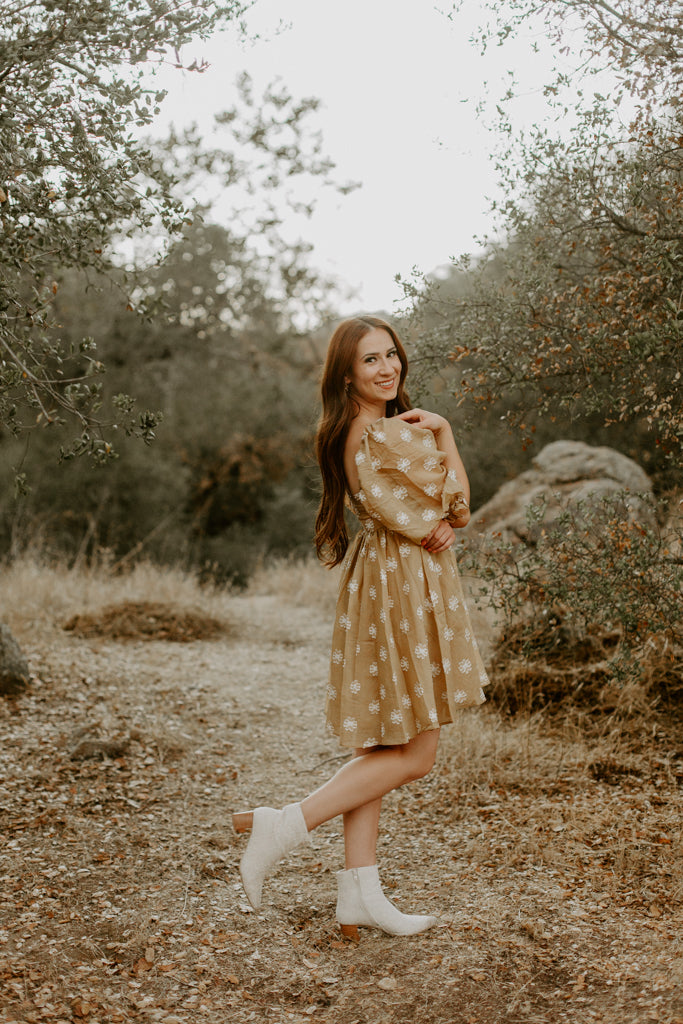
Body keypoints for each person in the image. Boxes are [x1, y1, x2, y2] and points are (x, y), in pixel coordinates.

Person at [233, 315, 489, 938]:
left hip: (391, 580)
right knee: (417, 753)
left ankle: (359, 894)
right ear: (346, 371)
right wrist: (445, 437)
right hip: (403, 583)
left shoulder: (371, 428)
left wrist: (441, 437)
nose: (387, 368)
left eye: (392, 355)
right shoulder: (372, 433)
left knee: (381, 745)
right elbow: (451, 508)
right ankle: (288, 823)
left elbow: (448, 510)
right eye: (371, 359)